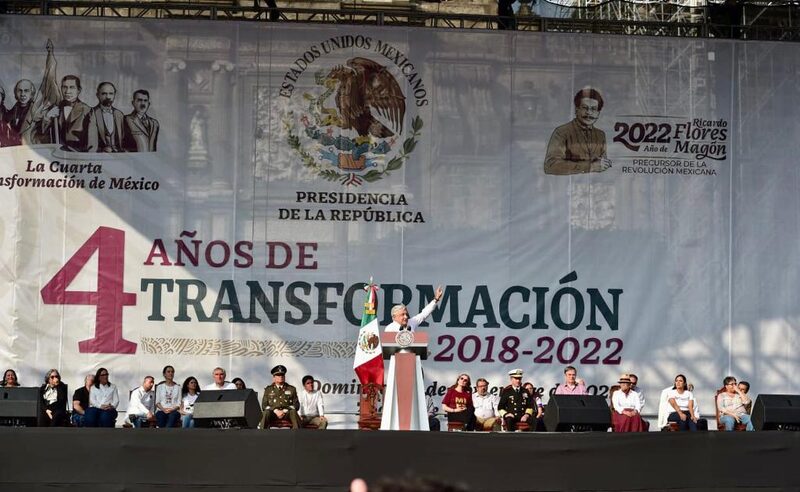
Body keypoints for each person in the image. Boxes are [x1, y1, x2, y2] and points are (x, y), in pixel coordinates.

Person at [544, 87, 612, 175]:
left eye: (593, 109)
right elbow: (550, 165)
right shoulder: (561, 132)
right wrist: (589, 167)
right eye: (585, 108)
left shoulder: (600, 135)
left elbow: (601, 165)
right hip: (568, 182)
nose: (589, 113)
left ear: (598, 113)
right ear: (576, 110)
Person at [33, 75, 90, 150]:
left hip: (78, 155)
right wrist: (47, 117)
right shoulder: (54, 108)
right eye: (64, 87)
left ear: (79, 90)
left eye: (72, 87)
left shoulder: (87, 110)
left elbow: (91, 141)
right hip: (57, 154)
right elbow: (39, 136)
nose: (67, 91)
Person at [86, 82, 125, 152]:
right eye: (104, 94)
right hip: (100, 155)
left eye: (111, 93)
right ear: (97, 95)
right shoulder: (92, 113)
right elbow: (91, 144)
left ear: (114, 95)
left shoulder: (119, 114)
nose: (108, 97)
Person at [259, 365, 300, 429]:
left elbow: (296, 405)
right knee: (266, 412)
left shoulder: (291, 389)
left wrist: (284, 411)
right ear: (274, 378)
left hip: (287, 413)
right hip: (273, 413)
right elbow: (264, 406)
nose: (281, 376)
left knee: (293, 412)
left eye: (282, 375)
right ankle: (261, 433)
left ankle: (298, 433)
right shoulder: (268, 389)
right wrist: (275, 411)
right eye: (278, 375)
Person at [5, 79, 36, 146]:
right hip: (14, 148)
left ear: (31, 93)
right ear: (16, 93)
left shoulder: (36, 111)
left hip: (30, 147)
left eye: (26, 91)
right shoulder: (12, 111)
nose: (22, 94)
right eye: (20, 90)